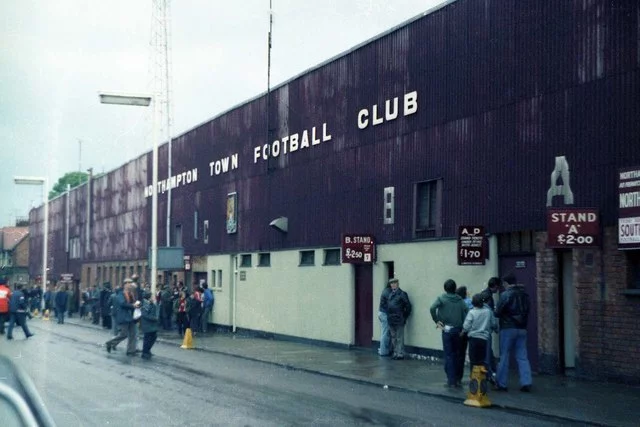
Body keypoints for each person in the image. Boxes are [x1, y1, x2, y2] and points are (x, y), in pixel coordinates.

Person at [494, 275, 533, 392]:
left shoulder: (505, 295)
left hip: (508, 328)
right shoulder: (525, 295)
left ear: (506, 283)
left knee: (504, 356)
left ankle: (502, 384)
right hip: (522, 328)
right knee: (522, 356)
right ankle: (526, 382)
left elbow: (497, 312)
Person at [430, 279, 468, 388]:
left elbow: (432, 308)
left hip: (446, 329)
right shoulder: (460, 300)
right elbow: (467, 312)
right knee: (458, 355)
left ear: (445, 288)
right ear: (455, 288)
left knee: (449, 355)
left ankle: (451, 380)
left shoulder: (442, 299)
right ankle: (458, 378)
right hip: (459, 330)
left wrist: (437, 320)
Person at [461, 294, 498, 371]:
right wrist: (494, 330)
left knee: (473, 361)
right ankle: (482, 379)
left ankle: (474, 379)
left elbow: (466, 326)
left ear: (473, 303)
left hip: (473, 339)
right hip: (484, 339)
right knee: (482, 360)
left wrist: (462, 332)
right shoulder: (488, 312)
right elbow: (493, 323)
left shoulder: (471, 312)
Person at [105, 280, 140, 355]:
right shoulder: (121, 294)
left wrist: (136, 304)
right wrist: (133, 305)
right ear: (125, 285)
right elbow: (122, 303)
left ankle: (131, 350)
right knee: (123, 334)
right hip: (124, 316)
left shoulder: (131, 294)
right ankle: (110, 343)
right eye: (129, 283)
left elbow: (133, 302)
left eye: (131, 283)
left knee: (133, 334)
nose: (131, 285)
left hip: (132, 317)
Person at [385, 278, 412, 360]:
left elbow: (408, 306)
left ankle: (400, 353)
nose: (393, 285)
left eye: (394, 283)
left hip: (399, 318)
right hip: (391, 319)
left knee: (399, 337)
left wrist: (404, 316)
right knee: (393, 337)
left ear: (398, 284)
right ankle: (395, 352)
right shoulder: (390, 294)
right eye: (391, 284)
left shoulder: (402, 294)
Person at [480, 277, 501, 382]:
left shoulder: (483, 294)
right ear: (495, 286)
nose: (498, 289)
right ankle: (488, 374)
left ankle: (492, 370)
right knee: (487, 353)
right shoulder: (489, 298)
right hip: (486, 329)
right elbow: (489, 315)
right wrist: (495, 327)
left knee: (488, 352)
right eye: (498, 287)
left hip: (480, 329)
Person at [140, 290, 159, 359]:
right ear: (148, 297)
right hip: (147, 324)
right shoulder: (145, 304)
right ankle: (145, 352)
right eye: (151, 296)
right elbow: (145, 315)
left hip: (152, 324)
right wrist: (154, 318)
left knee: (153, 337)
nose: (152, 297)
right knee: (147, 338)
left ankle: (147, 350)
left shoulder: (150, 303)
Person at [377, 280, 392, 357]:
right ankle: (383, 351)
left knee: (385, 332)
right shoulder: (388, 292)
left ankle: (384, 350)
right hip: (384, 313)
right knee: (385, 333)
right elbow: (391, 302)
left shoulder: (385, 290)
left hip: (382, 313)